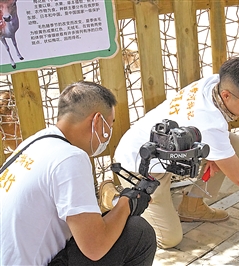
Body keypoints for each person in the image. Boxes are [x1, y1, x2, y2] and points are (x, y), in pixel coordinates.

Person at [103, 57, 239, 249]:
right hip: (141, 166)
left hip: (172, 149)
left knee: (233, 145)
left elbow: (216, 130)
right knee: (169, 240)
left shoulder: (214, 82)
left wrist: (216, 155)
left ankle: (192, 206)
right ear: (226, 94)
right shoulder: (209, 124)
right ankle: (114, 199)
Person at [0, 81, 157, 265]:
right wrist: (127, 202)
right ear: (97, 121)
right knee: (138, 233)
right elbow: (95, 247)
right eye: (110, 125)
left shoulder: (36, 142)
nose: (108, 134)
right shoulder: (70, 157)